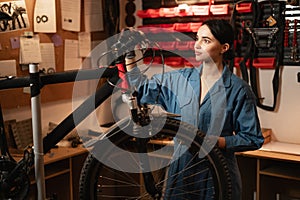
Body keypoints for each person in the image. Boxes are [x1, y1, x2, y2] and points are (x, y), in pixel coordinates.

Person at [124, 19, 264, 199]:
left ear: (224, 48)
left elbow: (253, 138)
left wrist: (214, 141)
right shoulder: (180, 79)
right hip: (181, 173)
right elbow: (139, 89)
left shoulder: (238, 89)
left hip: (216, 175)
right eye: (197, 38)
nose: (197, 45)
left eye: (206, 40)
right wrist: (129, 55)